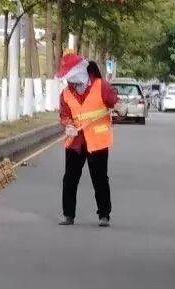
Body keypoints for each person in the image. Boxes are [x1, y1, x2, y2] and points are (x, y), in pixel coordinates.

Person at [56, 52, 125, 227]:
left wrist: (120, 108)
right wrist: (68, 126)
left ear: (80, 72)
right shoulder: (66, 94)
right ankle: (68, 215)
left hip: (97, 141)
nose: (70, 82)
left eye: (71, 77)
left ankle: (104, 215)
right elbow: (64, 114)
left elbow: (115, 103)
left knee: (100, 179)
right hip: (76, 142)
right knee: (70, 179)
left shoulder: (101, 86)